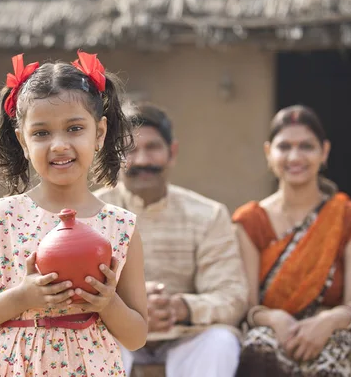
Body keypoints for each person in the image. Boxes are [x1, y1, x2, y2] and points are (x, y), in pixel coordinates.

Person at [0, 51, 148, 376]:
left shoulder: (120, 226)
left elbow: (137, 336)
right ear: (22, 140)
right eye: (41, 133)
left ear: (99, 133)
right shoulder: (2, 218)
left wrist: (107, 303)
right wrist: (20, 297)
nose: (59, 144)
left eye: (74, 128)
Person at [232, 105, 351, 376]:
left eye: (306, 146)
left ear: (324, 151)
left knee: (335, 358)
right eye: (284, 147)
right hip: (271, 334)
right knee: (259, 352)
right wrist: (273, 319)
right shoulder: (250, 221)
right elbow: (245, 305)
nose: (295, 156)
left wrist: (328, 321)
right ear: (269, 152)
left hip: (334, 334)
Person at [95, 102, 248, 377]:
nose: (142, 161)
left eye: (152, 148)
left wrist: (179, 308)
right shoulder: (92, 212)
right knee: (87, 341)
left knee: (221, 342)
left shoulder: (208, 215)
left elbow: (232, 296)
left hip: (185, 336)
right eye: (130, 150)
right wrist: (130, 309)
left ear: (172, 152)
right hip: (113, 332)